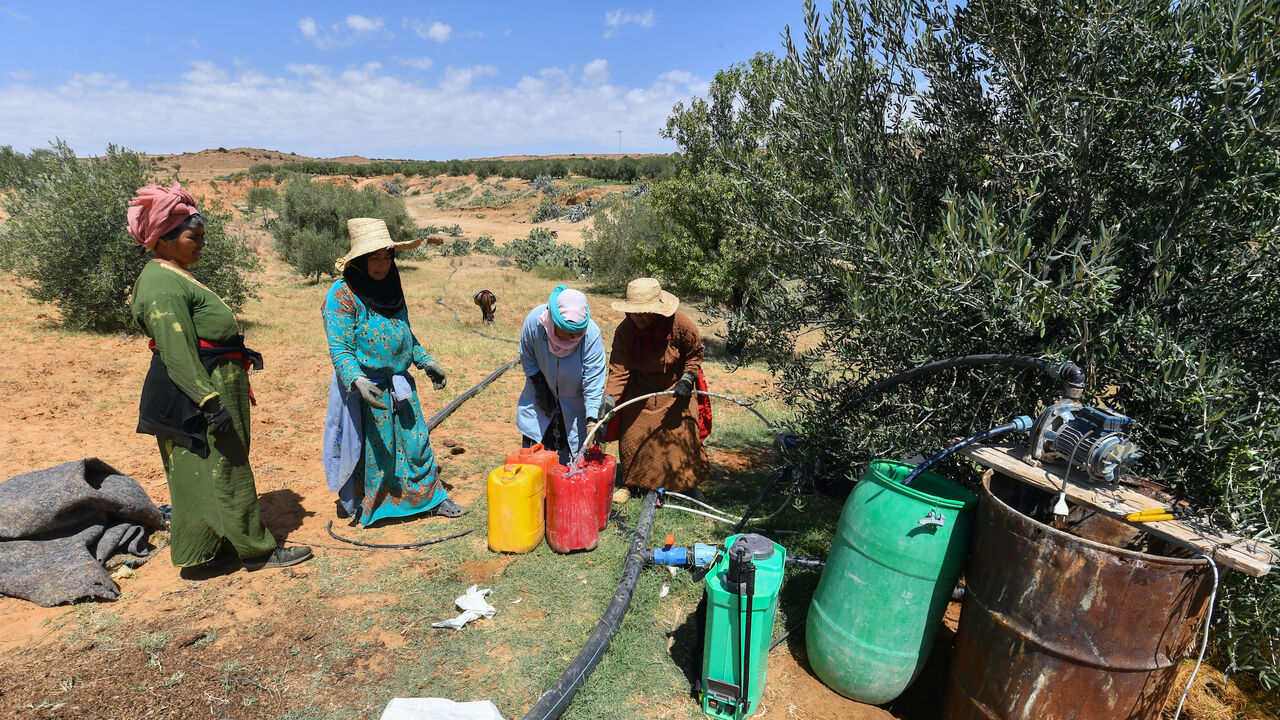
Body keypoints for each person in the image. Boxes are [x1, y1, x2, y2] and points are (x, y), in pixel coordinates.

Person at [130, 182, 311, 574]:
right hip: (198, 389)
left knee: (210, 467)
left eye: (202, 238)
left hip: (211, 382)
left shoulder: (173, 273)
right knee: (225, 466)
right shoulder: (161, 283)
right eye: (194, 237)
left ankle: (216, 546)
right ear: (163, 238)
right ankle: (256, 550)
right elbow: (176, 351)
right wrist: (209, 402)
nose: (201, 245)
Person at [322, 218, 463, 525]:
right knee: (378, 452)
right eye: (375, 258)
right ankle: (376, 504)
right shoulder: (342, 294)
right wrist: (357, 380)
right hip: (368, 389)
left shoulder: (391, 286)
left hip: (401, 386)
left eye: (387, 256)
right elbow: (339, 346)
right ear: (360, 260)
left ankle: (431, 499)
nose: (382, 265)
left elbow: (404, 333)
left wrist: (426, 361)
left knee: (416, 444)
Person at [601, 278, 711, 493]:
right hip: (639, 392)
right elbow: (618, 369)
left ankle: (688, 485)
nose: (637, 316)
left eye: (643, 312)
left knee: (681, 440)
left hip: (676, 390)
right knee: (634, 440)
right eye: (633, 311)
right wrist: (609, 399)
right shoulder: (625, 331)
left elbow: (695, 353)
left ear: (656, 310)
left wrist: (688, 378)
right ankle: (633, 485)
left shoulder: (680, 323)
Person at [516, 285, 606, 464]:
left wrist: (591, 419)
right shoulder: (536, 322)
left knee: (569, 469)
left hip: (575, 406)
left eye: (575, 335)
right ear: (553, 323)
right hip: (540, 399)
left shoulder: (591, 335)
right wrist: (540, 387)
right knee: (535, 465)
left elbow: (594, 380)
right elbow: (527, 356)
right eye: (565, 334)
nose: (570, 340)